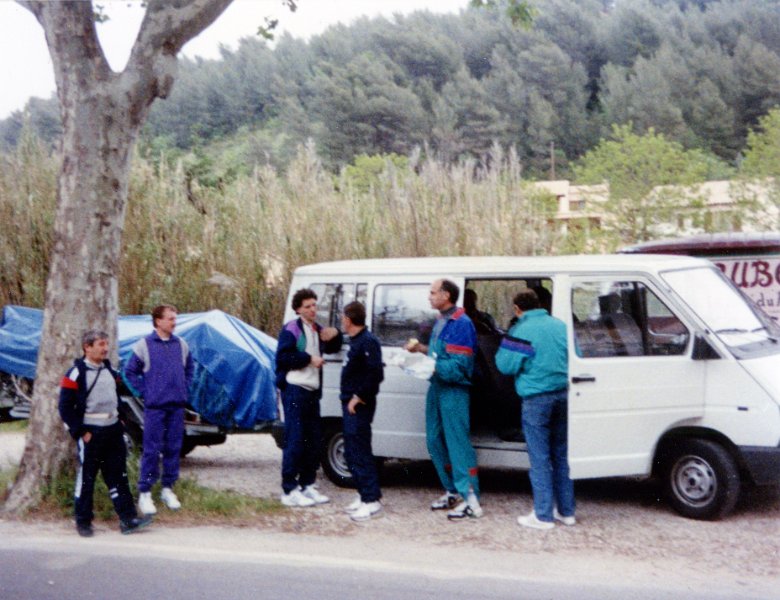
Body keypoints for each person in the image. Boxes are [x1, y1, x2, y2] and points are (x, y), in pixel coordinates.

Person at [495, 288, 575, 530]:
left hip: (536, 398)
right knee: (560, 455)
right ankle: (566, 512)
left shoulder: (521, 330)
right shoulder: (560, 326)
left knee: (539, 458)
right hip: (564, 395)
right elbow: (576, 355)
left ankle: (542, 516)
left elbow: (505, 365)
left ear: (517, 309)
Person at [58, 330, 152, 537]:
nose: (105, 348)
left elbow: (117, 398)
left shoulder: (111, 371)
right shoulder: (75, 374)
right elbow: (65, 407)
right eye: (101, 344)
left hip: (113, 431)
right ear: (87, 347)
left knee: (118, 476)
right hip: (91, 434)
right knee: (87, 479)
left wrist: (120, 421)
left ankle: (128, 519)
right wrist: (80, 432)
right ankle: (83, 522)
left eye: (106, 344)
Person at [406, 279, 482, 520]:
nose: (429, 297)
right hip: (437, 387)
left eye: (432, 292)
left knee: (458, 444)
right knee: (434, 440)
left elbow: (460, 366)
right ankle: (453, 491)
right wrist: (421, 350)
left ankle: (471, 499)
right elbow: (439, 354)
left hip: (454, 390)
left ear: (446, 295)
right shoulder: (441, 320)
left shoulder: (462, 323)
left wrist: (431, 366)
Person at [123, 304, 194, 515]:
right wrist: (146, 392)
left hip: (176, 407)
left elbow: (190, 369)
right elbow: (129, 372)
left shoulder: (181, 344)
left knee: (173, 448)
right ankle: (145, 492)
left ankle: (167, 489)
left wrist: (183, 388)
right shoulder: (144, 345)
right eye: (170, 319)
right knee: (151, 449)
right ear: (158, 321)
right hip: (155, 408)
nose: (174, 322)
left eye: (175, 318)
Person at [276, 288, 343, 507]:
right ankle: (289, 490)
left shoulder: (317, 329)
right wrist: (308, 359)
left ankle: (307, 485)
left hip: (312, 390)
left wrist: (336, 334)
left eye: (315, 305)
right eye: (308, 306)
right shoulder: (291, 329)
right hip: (295, 389)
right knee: (295, 439)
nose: (313, 309)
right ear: (298, 309)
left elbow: (333, 346)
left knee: (313, 440)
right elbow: (283, 357)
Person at [339, 301, 385, 522]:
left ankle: (371, 500)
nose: (342, 321)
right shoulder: (354, 340)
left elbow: (376, 374)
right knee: (351, 451)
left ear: (348, 320)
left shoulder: (368, 341)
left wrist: (358, 397)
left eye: (343, 318)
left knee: (360, 451)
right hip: (348, 402)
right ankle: (363, 493)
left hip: (359, 405)